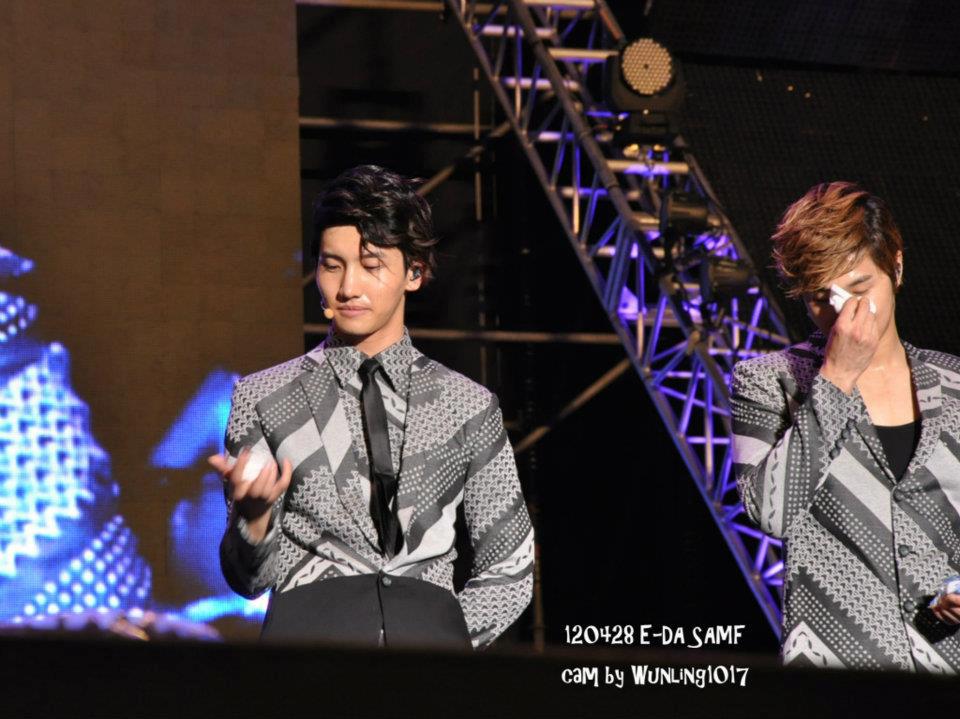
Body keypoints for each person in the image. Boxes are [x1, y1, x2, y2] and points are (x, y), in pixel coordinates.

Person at [208, 165, 534, 649]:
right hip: (306, 661)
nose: (347, 287)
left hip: (427, 668)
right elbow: (248, 580)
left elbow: (511, 567)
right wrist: (253, 520)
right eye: (331, 265)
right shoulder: (263, 397)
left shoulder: (469, 406)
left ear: (414, 272)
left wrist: (439, 640)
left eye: (370, 264)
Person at [732, 181, 960, 672]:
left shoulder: (955, 385)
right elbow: (771, 513)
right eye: (820, 298)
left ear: (896, 267)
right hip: (839, 675)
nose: (843, 314)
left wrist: (952, 596)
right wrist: (836, 377)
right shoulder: (768, 381)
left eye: (859, 289)